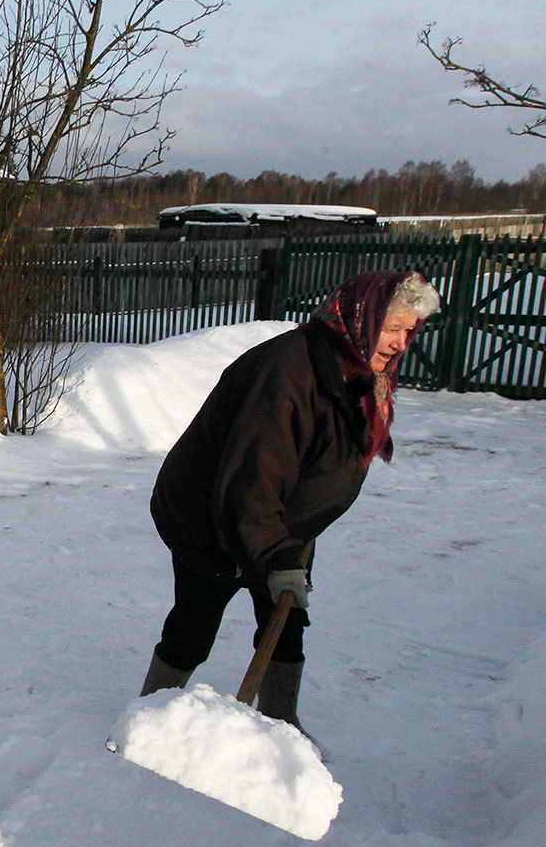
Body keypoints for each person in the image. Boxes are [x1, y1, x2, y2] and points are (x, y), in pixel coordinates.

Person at [138, 270, 441, 739]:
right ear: (362, 319)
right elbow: (253, 475)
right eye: (393, 328)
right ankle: (147, 723)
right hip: (212, 519)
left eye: (409, 331)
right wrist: (275, 553)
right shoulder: (288, 372)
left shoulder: (353, 369)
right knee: (193, 624)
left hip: (283, 523)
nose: (401, 343)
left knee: (286, 622)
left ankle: (282, 728)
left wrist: (288, 546)